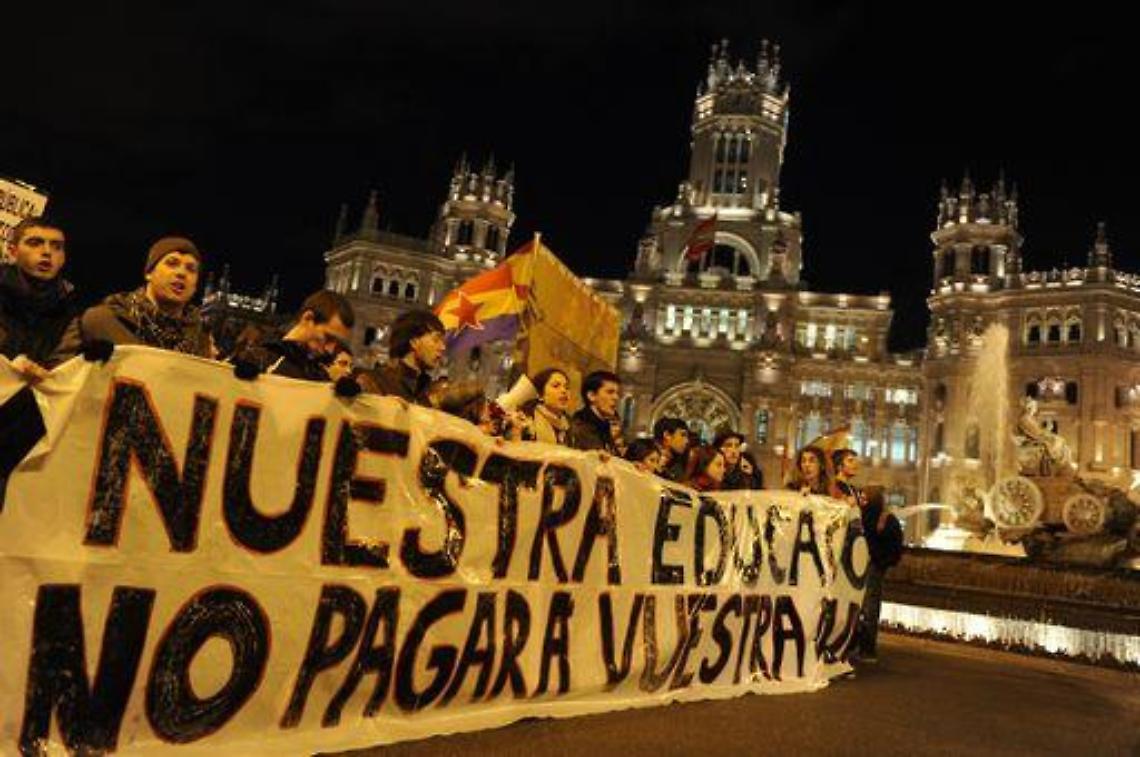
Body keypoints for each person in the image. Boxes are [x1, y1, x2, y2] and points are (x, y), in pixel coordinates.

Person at [54, 236, 212, 359]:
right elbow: (59, 376)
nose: (181, 273)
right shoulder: (102, 320)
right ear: (149, 273)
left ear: (196, 285)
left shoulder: (202, 339)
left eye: (191, 269)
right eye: (172, 263)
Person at [0, 216, 80, 379]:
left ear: (63, 258)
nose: (47, 252)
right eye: (35, 243)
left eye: (56, 246)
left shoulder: (72, 313)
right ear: (12, 251)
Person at [233, 290, 355, 382]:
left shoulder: (320, 376)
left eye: (336, 341)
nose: (330, 349)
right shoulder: (257, 358)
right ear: (308, 318)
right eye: (328, 337)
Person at [854, 485, 903, 663]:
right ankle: (861, 646)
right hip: (864, 566)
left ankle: (867, 649)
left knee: (869, 607)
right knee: (864, 607)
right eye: (861, 498)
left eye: (865, 498)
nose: (861, 501)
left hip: (872, 567)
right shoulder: (862, 516)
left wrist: (880, 561)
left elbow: (895, 546)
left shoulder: (883, 519)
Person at [360, 309, 445, 404]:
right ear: (414, 342)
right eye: (436, 340)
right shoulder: (373, 383)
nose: (443, 347)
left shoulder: (429, 390)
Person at [569, 369, 625, 454]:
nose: (616, 398)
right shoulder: (581, 426)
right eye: (610, 392)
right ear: (591, 396)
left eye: (617, 393)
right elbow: (598, 462)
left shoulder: (603, 425)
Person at [519, 368, 572, 444]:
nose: (564, 391)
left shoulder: (569, 424)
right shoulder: (526, 418)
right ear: (540, 395)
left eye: (567, 387)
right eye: (556, 386)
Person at [653, 417, 690, 482]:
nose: (687, 441)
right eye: (683, 435)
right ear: (667, 435)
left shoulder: (677, 468)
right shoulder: (641, 453)